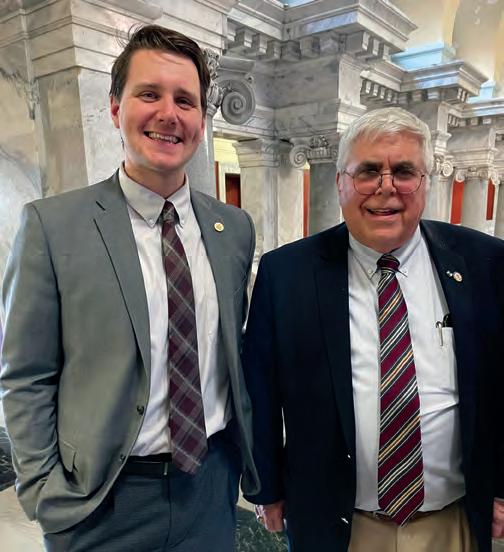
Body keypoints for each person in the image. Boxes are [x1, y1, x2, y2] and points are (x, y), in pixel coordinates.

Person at [0, 24, 258, 552]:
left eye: (185, 100)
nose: (168, 113)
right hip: (102, 503)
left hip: (209, 489)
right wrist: (46, 495)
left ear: (201, 121)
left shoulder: (232, 230)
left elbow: (234, 358)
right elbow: (26, 375)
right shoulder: (54, 227)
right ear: (116, 108)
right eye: (149, 94)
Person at [242, 107, 504, 552]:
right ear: (340, 183)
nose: (386, 187)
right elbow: (260, 391)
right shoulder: (286, 274)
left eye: (404, 171)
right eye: (367, 172)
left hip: (450, 520)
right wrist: (266, 487)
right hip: (337, 524)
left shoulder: (485, 262)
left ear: (426, 182)